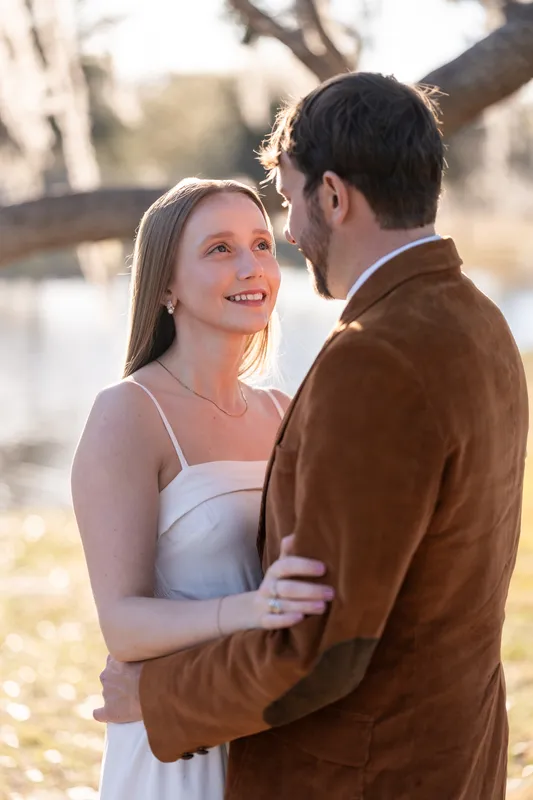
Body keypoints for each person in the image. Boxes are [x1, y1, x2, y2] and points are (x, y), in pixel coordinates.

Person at [94, 73, 529, 800]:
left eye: (288, 206)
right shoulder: (481, 323)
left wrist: (157, 698)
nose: (289, 237)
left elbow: (323, 645)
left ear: (333, 196)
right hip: (452, 750)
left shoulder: (372, 356)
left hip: (362, 769)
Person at [71, 177, 335, 800]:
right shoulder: (128, 414)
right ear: (166, 284)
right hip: (175, 751)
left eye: (263, 244)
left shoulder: (284, 409)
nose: (252, 267)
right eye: (219, 249)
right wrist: (254, 610)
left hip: (268, 728)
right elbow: (123, 625)